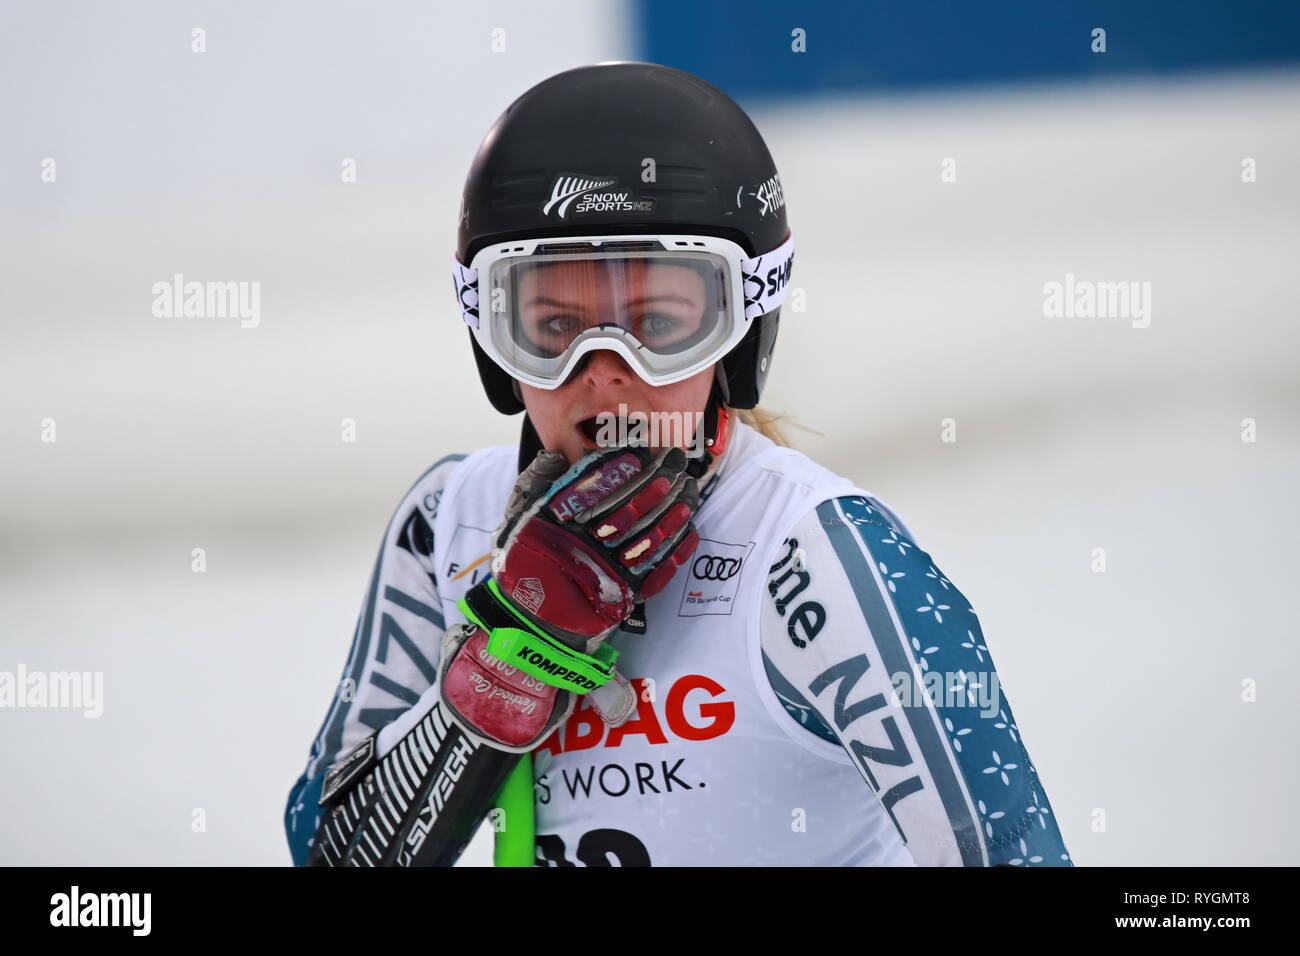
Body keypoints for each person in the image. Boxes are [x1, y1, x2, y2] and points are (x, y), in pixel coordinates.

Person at [283, 61, 1072, 867]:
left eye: (659, 323)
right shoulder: (448, 523)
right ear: (490, 335)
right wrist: (503, 659)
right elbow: (326, 855)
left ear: (740, 327)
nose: (605, 369)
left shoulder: (816, 556)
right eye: (551, 326)